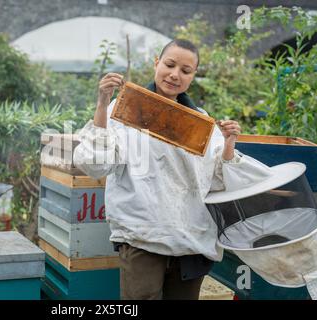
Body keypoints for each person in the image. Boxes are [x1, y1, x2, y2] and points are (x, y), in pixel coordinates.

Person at [73, 39, 242, 300]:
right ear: (157, 63)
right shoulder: (126, 108)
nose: (175, 75)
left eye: (186, 71)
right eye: (170, 65)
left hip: (190, 243)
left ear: (193, 76)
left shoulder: (200, 121)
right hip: (142, 239)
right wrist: (102, 102)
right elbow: (95, 164)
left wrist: (229, 143)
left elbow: (219, 179)